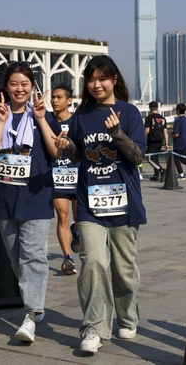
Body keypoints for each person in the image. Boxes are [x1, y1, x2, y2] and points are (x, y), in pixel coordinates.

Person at [55, 55, 147, 354]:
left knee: (124, 270)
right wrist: (66, 146)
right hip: (90, 204)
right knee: (93, 263)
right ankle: (94, 328)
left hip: (125, 204)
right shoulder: (81, 115)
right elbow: (77, 156)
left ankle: (127, 316)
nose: (96, 85)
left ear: (114, 80)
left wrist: (117, 133)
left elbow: (138, 157)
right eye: (91, 79)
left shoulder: (129, 113)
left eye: (102, 79)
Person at [0, 61, 61, 343]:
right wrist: (1, 122)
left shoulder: (43, 115)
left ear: (32, 86)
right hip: (5, 199)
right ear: (6, 86)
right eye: (14, 83)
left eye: (25, 84)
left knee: (33, 256)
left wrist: (41, 119)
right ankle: (35, 305)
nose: (19, 89)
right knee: (17, 259)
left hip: (36, 197)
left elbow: (56, 152)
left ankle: (30, 315)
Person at [50, 84, 80, 275]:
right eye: (53, 97)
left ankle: (76, 231)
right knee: (62, 215)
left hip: (78, 176)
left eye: (59, 97)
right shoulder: (47, 121)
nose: (54, 100)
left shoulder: (78, 121)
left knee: (79, 218)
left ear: (69, 101)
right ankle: (68, 258)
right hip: (57, 176)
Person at [144, 101, 168, 181]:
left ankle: (161, 170)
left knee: (150, 159)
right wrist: (166, 144)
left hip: (152, 141)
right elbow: (165, 132)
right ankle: (156, 175)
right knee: (155, 158)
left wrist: (142, 138)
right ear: (157, 108)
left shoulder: (149, 118)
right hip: (160, 141)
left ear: (150, 108)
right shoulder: (162, 118)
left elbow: (147, 131)